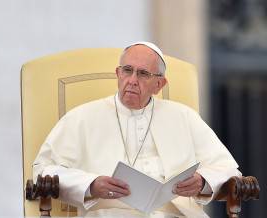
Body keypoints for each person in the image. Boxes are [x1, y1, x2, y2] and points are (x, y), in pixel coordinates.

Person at [33, 42, 240, 217]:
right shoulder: (81, 118)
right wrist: (91, 185)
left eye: (143, 74)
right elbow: (43, 172)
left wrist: (202, 182)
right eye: (127, 70)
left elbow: (228, 171)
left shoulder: (184, 117)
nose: (132, 80)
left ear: (159, 84)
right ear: (117, 73)